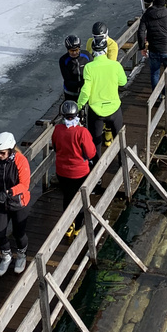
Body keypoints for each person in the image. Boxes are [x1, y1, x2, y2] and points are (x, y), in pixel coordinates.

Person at [0, 132, 31, 276]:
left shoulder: (20, 160)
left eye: (2, 153)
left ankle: (21, 254)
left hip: (18, 202)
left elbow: (24, 185)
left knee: (19, 234)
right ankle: (6, 255)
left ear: (11, 150)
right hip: (2, 202)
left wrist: (7, 193)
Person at [51, 100, 96, 238]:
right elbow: (91, 153)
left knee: (67, 197)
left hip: (62, 171)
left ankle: (68, 225)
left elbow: (55, 146)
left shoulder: (58, 129)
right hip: (79, 173)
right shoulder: (82, 132)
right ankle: (78, 226)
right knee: (81, 199)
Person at [78, 36, 127, 157]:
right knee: (119, 139)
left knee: (95, 144)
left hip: (96, 111)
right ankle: (122, 163)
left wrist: (79, 106)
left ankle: (96, 172)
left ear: (93, 51)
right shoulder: (115, 65)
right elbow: (123, 82)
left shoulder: (89, 68)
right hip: (114, 108)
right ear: (106, 50)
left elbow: (85, 91)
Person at [138, 0, 167, 88]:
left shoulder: (147, 15)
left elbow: (141, 32)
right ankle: (166, 92)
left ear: (154, 2)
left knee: (154, 73)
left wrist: (142, 47)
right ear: (164, 3)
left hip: (153, 49)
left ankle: (156, 97)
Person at [59, 34, 91, 101]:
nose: (74, 53)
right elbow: (67, 81)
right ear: (67, 50)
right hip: (71, 93)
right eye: (71, 51)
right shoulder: (63, 60)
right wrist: (82, 83)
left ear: (79, 48)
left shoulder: (87, 55)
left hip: (85, 92)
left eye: (76, 50)